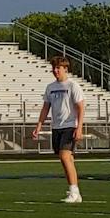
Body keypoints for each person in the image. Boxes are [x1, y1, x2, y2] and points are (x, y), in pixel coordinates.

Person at [34, 56, 84, 204]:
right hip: (57, 127)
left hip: (69, 126)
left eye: (58, 68)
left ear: (65, 69)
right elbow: (45, 108)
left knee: (65, 157)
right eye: (54, 68)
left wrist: (79, 127)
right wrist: (39, 126)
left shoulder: (72, 86)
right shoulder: (50, 87)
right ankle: (75, 192)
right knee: (67, 159)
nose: (55, 71)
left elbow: (81, 107)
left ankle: (74, 191)